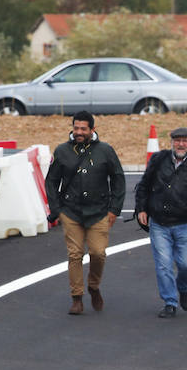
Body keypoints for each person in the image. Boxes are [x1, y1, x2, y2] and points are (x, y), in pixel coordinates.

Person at [44, 110, 126, 315]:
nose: (79, 132)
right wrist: (57, 210)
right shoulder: (62, 151)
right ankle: (77, 298)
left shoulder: (106, 150)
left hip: (99, 212)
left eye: (83, 129)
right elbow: (51, 181)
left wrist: (114, 209)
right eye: (76, 128)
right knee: (75, 254)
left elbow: (118, 179)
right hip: (71, 212)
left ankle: (94, 286)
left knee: (98, 253)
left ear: (92, 129)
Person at [133, 127, 187, 318]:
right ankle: (170, 302)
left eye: (185, 141)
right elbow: (143, 186)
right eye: (178, 140)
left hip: (184, 224)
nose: (181, 144)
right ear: (171, 142)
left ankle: (183, 289)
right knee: (163, 264)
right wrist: (141, 209)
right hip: (159, 224)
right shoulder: (158, 160)